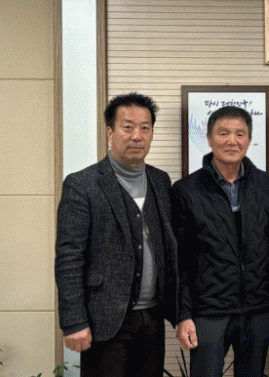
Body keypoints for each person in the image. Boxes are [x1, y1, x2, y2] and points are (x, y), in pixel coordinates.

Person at [55, 92, 178, 377]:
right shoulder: (82, 184)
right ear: (110, 132)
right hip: (105, 319)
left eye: (145, 128)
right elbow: (69, 257)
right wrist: (74, 322)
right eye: (128, 127)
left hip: (152, 318)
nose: (137, 136)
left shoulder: (160, 181)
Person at [172, 106, 269, 377]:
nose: (232, 141)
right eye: (223, 133)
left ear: (249, 140)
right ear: (209, 139)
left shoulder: (266, 185)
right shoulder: (186, 190)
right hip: (208, 310)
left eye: (240, 134)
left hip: (258, 308)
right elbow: (180, 259)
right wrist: (183, 315)